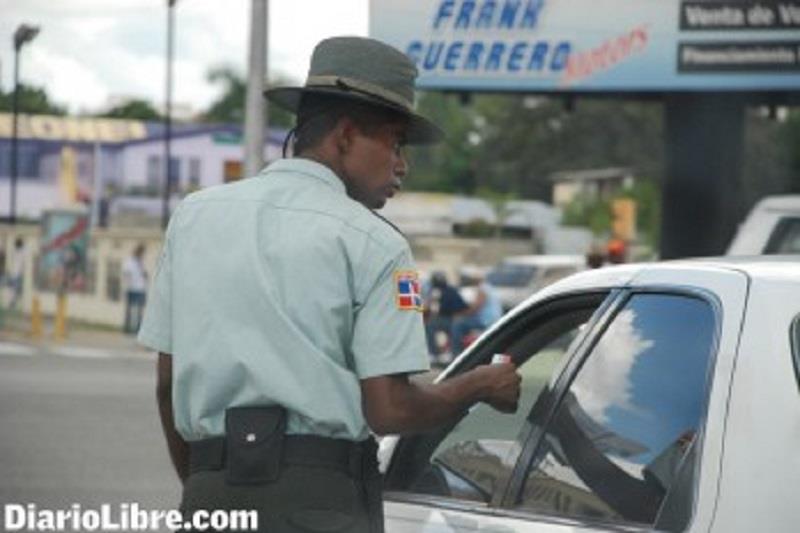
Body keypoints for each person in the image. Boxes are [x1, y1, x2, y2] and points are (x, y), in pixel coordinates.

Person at [137, 36, 521, 533]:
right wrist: (478, 385)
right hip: (322, 504)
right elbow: (389, 410)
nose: (402, 163)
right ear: (344, 137)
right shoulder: (377, 245)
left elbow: (167, 386)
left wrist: (207, 487)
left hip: (209, 491)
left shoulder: (193, 217)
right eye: (394, 142)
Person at [450, 267, 504, 354]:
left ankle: (456, 353)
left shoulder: (482, 289)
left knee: (458, 325)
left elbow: (475, 308)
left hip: (486, 321)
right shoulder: (490, 288)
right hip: (493, 319)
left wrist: (460, 313)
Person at [424, 271, 468, 363]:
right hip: (441, 318)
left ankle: (453, 353)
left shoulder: (451, 290)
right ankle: (434, 353)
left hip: (452, 318)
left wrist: (457, 317)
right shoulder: (433, 291)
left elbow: (462, 307)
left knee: (455, 327)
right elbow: (432, 308)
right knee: (428, 325)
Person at [122, 243, 147, 334]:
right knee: (129, 309)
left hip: (140, 288)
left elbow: (143, 274)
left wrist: (144, 275)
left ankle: (138, 329)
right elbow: (126, 273)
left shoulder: (140, 262)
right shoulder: (130, 261)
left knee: (139, 310)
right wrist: (128, 282)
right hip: (132, 288)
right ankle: (127, 328)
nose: (142, 255)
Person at [7, 238, 26, 310]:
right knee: (14, 289)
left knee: (15, 289)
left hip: (17, 273)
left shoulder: (20, 251)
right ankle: (13, 302)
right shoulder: (17, 251)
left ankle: (13, 302)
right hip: (15, 273)